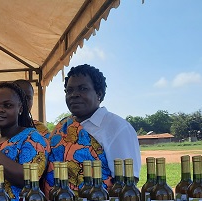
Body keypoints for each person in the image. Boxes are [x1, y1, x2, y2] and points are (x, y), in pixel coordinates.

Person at [45, 64, 141, 193]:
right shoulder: (62, 126)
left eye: (83, 89)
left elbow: (127, 183)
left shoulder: (117, 128)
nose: (74, 95)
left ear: (99, 94)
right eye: (69, 90)